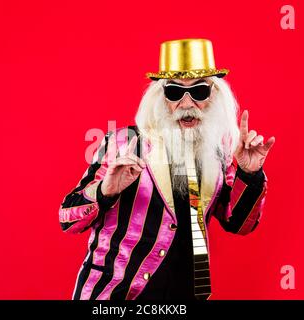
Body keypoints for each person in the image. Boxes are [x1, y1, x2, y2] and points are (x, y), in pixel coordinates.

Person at [59, 39, 275, 300]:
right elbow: (67, 218)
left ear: (214, 96)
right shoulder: (124, 143)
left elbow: (239, 224)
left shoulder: (218, 154)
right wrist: (106, 190)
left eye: (199, 92)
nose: (186, 104)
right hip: (118, 296)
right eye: (174, 92)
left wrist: (248, 174)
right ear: (161, 98)